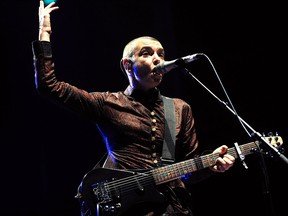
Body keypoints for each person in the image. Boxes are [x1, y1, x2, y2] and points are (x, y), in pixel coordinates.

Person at [32, 1, 235, 215]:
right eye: (147, 53)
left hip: (171, 207)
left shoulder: (179, 108)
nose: (157, 59)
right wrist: (44, 32)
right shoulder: (109, 103)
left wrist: (212, 166)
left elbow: (188, 171)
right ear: (127, 65)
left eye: (161, 54)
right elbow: (49, 86)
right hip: (129, 209)